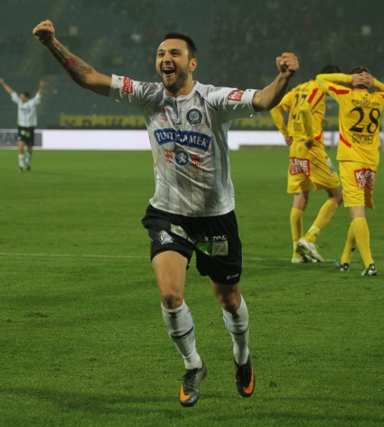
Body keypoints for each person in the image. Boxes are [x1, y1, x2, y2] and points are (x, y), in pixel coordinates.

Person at [33, 19, 298, 406]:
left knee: (229, 299)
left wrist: (283, 78)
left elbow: (262, 100)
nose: (166, 59)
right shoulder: (146, 95)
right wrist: (52, 43)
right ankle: (193, 366)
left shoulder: (213, 99)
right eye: (160, 53)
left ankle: (242, 357)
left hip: (215, 217)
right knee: (171, 295)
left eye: (174, 53)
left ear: (192, 64)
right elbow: (89, 77)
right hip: (167, 213)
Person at [316, 67, 384, 276]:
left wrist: (348, 78)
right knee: (360, 212)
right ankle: (345, 259)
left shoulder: (346, 95)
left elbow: (320, 79)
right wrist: (373, 80)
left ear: (352, 82)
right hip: (371, 163)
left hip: (351, 161)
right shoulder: (378, 98)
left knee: (356, 211)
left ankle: (369, 264)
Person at [270, 65, 343, 263]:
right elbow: (304, 110)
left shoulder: (298, 89)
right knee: (337, 195)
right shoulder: (319, 89)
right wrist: (310, 136)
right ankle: (310, 238)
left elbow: (275, 107)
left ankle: (296, 252)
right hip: (311, 148)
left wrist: (285, 132)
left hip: (295, 150)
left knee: (300, 197)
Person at [0, 78, 45, 171]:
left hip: (30, 127)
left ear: (26, 98)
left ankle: (28, 160)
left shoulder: (32, 103)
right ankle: (21, 166)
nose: (20, 97)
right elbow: (11, 92)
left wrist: (41, 88)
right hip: (21, 126)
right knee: (20, 146)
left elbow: (38, 95)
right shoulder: (19, 102)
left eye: (22, 96)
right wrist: (3, 83)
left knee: (30, 148)